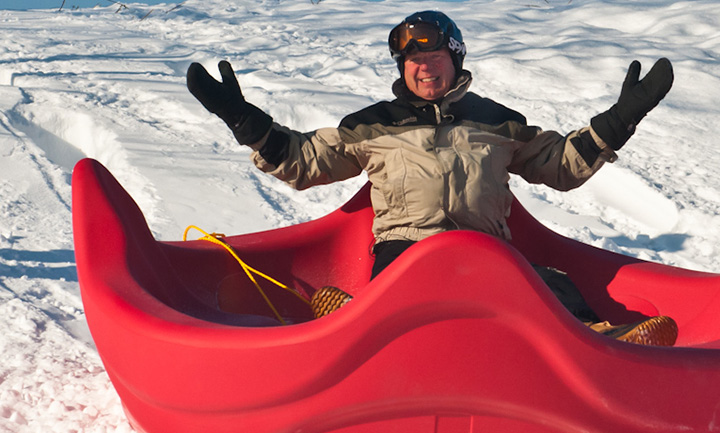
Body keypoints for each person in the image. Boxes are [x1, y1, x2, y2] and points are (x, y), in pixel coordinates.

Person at [186, 11, 678, 346]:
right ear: (403, 67)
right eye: (414, 61)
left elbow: (560, 164)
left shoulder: (497, 123)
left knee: (550, 285)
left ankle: (601, 340)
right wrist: (242, 119)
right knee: (401, 292)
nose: (424, 69)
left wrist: (620, 119)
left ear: (455, 61)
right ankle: (354, 323)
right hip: (407, 249)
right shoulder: (372, 125)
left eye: (434, 59)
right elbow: (303, 159)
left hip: (486, 250)